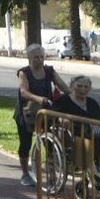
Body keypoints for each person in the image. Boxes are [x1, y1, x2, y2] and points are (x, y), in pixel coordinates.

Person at [14, 43, 64, 188]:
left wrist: (73, 95)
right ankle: (25, 174)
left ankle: (52, 175)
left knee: (51, 142)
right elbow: (24, 91)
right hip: (27, 111)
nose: (40, 60)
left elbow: (62, 85)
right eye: (36, 57)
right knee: (25, 143)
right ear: (29, 57)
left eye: (42, 57)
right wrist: (38, 99)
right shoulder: (24, 72)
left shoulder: (49, 71)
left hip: (46, 111)